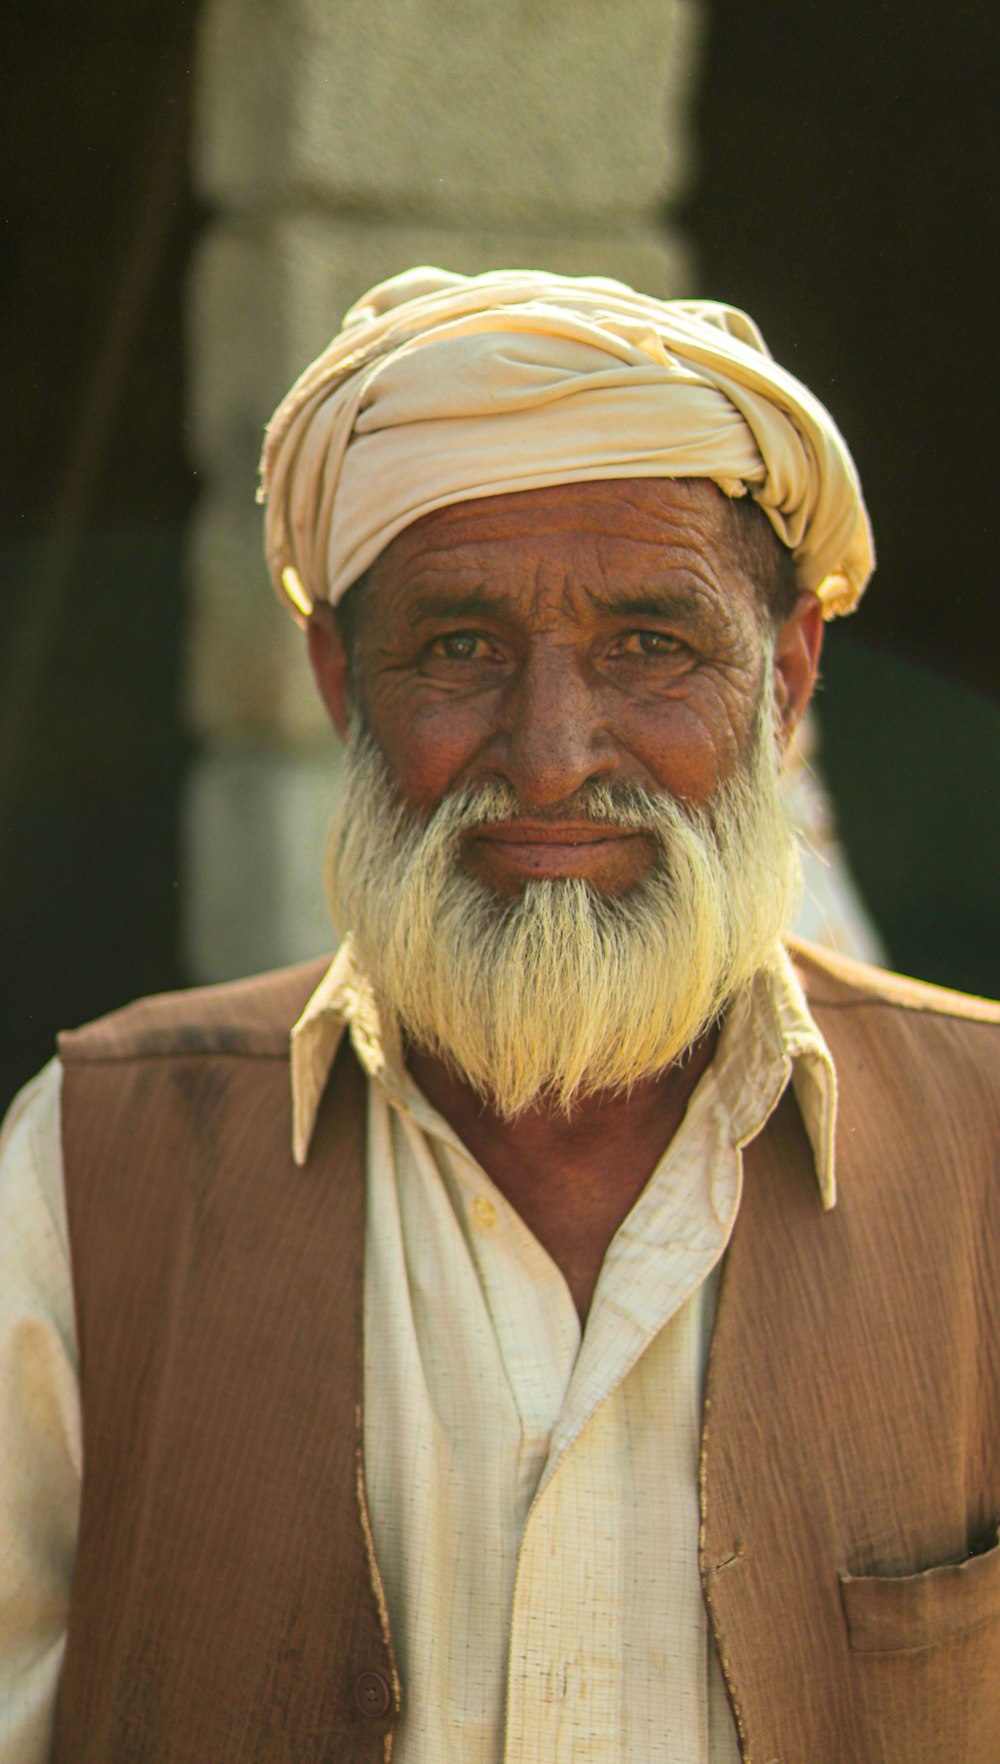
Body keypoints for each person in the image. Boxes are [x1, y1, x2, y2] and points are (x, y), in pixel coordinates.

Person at [1, 268, 998, 1764]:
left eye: (651, 646)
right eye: (460, 646)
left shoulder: (985, 1149)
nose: (548, 755)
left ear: (784, 683)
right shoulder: (92, 1166)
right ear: (344, 683)